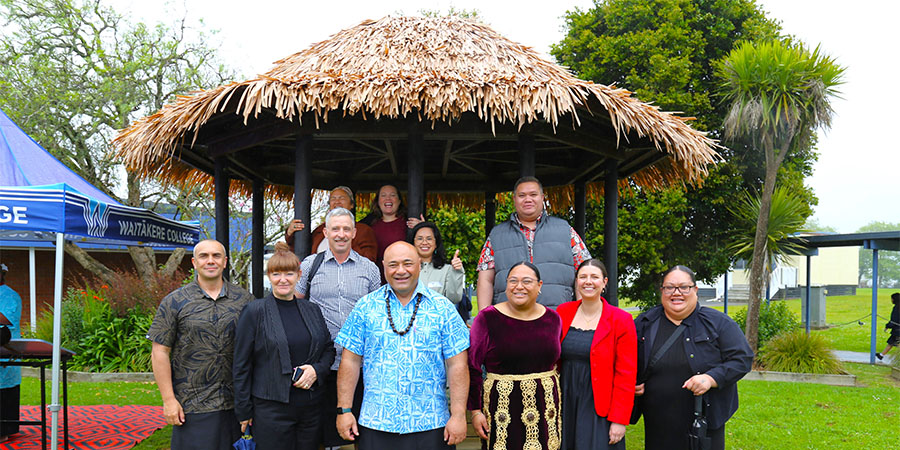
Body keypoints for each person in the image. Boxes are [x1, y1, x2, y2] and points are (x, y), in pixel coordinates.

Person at [334, 242, 470, 450]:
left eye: (407, 263)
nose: (400, 271)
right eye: (393, 265)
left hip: (431, 423)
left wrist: (459, 415)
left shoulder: (443, 309)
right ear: (383, 267)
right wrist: (344, 411)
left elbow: (457, 365)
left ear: (418, 264)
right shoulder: (365, 307)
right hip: (376, 422)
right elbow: (350, 361)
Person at [632, 265, 753, 450]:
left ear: (695, 290)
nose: (676, 293)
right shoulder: (645, 323)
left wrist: (711, 378)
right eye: (669, 287)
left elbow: (742, 359)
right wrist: (629, 383)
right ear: (662, 290)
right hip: (658, 422)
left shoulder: (718, 323)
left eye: (683, 287)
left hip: (704, 422)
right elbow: (625, 358)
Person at [148, 239, 254, 450]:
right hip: (192, 406)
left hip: (236, 406)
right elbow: (160, 351)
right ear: (194, 262)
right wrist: (168, 400)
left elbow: (258, 351)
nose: (210, 261)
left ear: (225, 262)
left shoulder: (245, 301)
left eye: (216, 256)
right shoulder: (175, 302)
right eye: (204, 256)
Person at [233, 242, 336, 450]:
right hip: (271, 409)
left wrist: (316, 370)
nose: (283, 280)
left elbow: (328, 349)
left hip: (311, 407)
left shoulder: (312, 310)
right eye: (276, 274)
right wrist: (243, 410)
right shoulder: (254, 312)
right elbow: (241, 364)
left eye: (289, 274)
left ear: (298, 275)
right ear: (269, 276)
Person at [295, 207, 381, 448]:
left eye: (346, 229)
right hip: (322, 362)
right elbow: (295, 304)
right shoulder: (310, 265)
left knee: (363, 429)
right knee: (322, 431)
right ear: (325, 232)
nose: (341, 234)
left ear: (354, 232)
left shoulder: (369, 269)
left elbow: (378, 313)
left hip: (362, 363)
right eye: (335, 229)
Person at [468, 261, 562, 450]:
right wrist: (476, 411)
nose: (519, 287)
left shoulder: (553, 319)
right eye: (513, 281)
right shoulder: (487, 318)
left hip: (545, 406)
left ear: (539, 286)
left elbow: (557, 363)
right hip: (502, 406)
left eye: (526, 281)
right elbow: (473, 367)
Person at [476, 176, 590, 311]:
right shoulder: (496, 235)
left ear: (542, 198)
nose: (528, 199)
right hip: (509, 320)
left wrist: (584, 315)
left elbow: (585, 272)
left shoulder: (565, 230)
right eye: (522, 195)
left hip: (558, 318)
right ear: (514, 200)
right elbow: (485, 280)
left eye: (533, 195)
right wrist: (484, 317)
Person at [556, 259, 636, 450]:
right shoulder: (562, 312)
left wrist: (619, 420)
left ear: (604, 282)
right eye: (583, 277)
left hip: (599, 406)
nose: (588, 281)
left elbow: (626, 374)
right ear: (576, 281)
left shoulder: (621, 320)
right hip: (566, 399)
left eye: (594, 277)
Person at [284, 186, 378, 262]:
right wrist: (290, 233)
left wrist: (343, 244)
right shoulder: (321, 229)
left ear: (351, 205)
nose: (337, 201)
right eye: (333, 198)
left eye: (342, 198)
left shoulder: (364, 230)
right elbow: (301, 251)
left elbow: (369, 259)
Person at [361, 184, 423, 274]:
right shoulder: (368, 223)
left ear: (399, 201)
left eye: (392, 195)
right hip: (375, 274)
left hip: (402, 273)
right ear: (378, 201)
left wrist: (422, 228)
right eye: (383, 195)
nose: (388, 198)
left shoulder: (409, 222)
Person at [408, 221, 465, 305]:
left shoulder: (447, 269)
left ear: (436, 243)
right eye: (420, 238)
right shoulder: (405, 268)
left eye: (429, 238)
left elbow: (454, 299)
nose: (424, 242)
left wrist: (456, 271)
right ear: (413, 243)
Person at [0, 263, 22, 442]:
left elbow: (7, 319)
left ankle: (4, 430)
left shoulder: (10, 296)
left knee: (4, 391)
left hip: (6, 350)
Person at [876, 292, 900, 360]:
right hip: (898, 329)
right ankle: (881, 355)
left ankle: (882, 355)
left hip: (897, 330)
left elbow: (894, 320)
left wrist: (888, 326)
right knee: (891, 342)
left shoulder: (896, 308)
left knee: (892, 342)